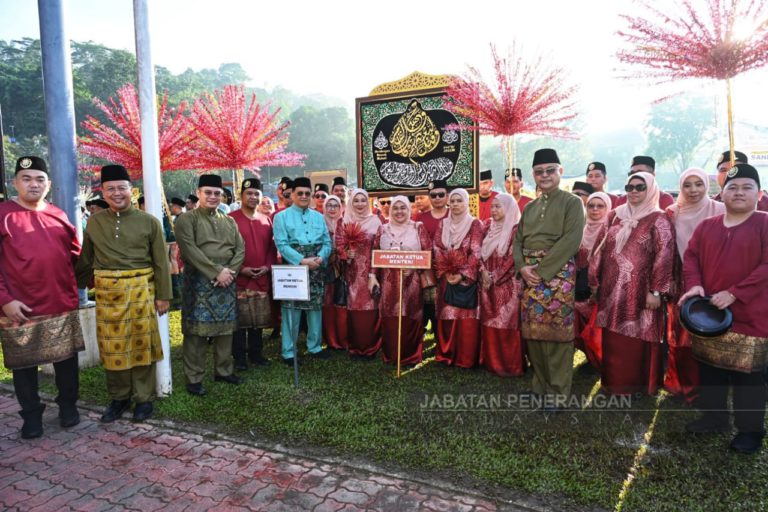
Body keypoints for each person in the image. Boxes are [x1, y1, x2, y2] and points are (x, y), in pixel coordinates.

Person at [680, 163, 768, 454]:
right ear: (722, 193)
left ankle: (750, 431)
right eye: (732, 187)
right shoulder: (708, 226)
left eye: (746, 187)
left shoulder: (764, 223)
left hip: (752, 316)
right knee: (710, 370)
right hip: (710, 315)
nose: (739, 192)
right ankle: (715, 418)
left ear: (759, 193)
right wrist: (694, 285)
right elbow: (691, 257)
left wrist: (735, 293)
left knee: (748, 377)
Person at [76, 164, 172, 422]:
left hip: (141, 289)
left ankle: (143, 399)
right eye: (111, 189)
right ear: (103, 193)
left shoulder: (149, 222)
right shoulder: (95, 222)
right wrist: (73, 285)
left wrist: (163, 295)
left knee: (142, 345)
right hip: (108, 293)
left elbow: (161, 261)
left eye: (122, 188)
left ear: (132, 190)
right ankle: (119, 398)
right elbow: (86, 258)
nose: (117, 193)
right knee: (112, 347)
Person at [0, 156, 84, 439]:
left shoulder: (58, 214)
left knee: (67, 362)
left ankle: (68, 408)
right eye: (27, 179)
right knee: (24, 366)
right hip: (18, 307)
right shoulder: (3, 214)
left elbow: (75, 256)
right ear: (15, 183)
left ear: (48, 184)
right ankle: (31, 415)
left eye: (39, 179)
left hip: (61, 303)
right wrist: (4, 299)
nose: (33, 184)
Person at [589, 172, 675, 396]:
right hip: (610, 290)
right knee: (613, 338)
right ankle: (613, 383)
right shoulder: (614, 215)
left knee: (638, 337)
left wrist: (656, 291)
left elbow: (664, 257)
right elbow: (598, 249)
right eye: (630, 187)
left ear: (651, 189)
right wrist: (594, 280)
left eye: (640, 187)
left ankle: (636, 387)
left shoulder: (659, 218)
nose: (634, 191)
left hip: (641, 292)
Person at [513, 149, 585, 407]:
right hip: (529, 276)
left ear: (560, 172)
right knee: (533, 333)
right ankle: (539, 388)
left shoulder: (572, 202)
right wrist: (522, 267)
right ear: (534, 174)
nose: (545, 176)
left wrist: (541, 271)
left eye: (550, 170)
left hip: (558, 275)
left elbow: (571, 241)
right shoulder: (530, 206)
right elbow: (518, 240)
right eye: (539, 172)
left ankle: (557, 395)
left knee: (557, 335)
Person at [175, 174, 245, 396]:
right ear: (199, 193)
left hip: (226, 280)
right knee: (196, 332)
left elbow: (240, 249)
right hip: (199, 281)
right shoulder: (187, 220)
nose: (213, 196)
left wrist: (229, 273)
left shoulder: (229, 220)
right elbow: (189, 250)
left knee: (226, 328)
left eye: (217, 193)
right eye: (208, 192)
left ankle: (223, 371)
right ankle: (194, 377)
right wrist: (217, 272)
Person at [664, 168, 725, 403]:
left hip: (714, 279)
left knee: (711, 332)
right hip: (683, 280)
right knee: (681, 334)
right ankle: (684, 384)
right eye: (687, 185)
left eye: (698, 184)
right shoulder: (672, 213)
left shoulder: (719, 209)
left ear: (707, 186)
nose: (693, 190)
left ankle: (712, 389)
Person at [273, 177, 332, 364]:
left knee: (315, 309)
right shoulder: (281, 217)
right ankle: (288, 351)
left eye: (308, 193)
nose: (304, 196)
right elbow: (282, 245)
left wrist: (321, 257)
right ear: (292, 194)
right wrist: (301, 260)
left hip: (316, 265)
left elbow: (327, 242)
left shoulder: (318, 216)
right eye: (300, 193)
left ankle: (314, 347)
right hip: (293, 268)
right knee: (292, 309)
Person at [371, 196, 432, 366]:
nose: (399, 211)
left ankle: (410, 356)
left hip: (411, 282)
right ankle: (391, 355)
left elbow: (428, 253)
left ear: (409, 209)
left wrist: (414, 268)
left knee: (411, 316)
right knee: (390, 317)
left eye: (403, 208)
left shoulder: (417, 227)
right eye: (395, 208)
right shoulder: (382, 229)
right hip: (389, 283)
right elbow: (375, 254)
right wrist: (371, 276)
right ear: (390, 210)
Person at [229, 179, 277, 370]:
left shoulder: (266, 219)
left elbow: (271, 248)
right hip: (240, 278)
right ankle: (239, 358)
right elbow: (227, 250)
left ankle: (256, 354)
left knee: (257, 319)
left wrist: (267, 266)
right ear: (241, 195)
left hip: (261, 277)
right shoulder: (230, 219)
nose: (253, 197)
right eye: (249, 193)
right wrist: (241, 269)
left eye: (256, 193)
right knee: (240, 321)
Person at [433, 188, 484, 367]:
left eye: (459, 201)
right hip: (446, 278)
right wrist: (447, 271)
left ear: (466, 202)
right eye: (452, 201)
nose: (454, 204)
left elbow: (476, 252)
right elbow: (437, 248)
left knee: (465, 318)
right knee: (447, 314)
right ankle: (447, 354)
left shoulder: (475, 224)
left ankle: (465, 357)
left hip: (465, 281)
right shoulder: (443, 224)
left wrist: (462, 274)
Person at [479, 194, 524, 376]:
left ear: (509, 208)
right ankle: (491, 362)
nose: (494, 210)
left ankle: (510, 366)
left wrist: (494, 276)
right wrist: (483, 272)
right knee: (489, 321)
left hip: (508, 285)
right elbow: (478, 252)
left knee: (507, 323)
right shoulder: (488, 226)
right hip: (486, 283)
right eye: (493, 206)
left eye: (499, 207)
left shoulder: (516, 230)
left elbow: (512, 258)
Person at [336, 188, 383, 359]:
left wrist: (373, 274)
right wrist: (345, 254)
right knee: (354, 310)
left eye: (363, 200)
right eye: (356, 200)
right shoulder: (344, 220)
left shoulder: (376, 221)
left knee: (370, 309)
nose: (360, 204)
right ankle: (355, 347)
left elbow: (379, 250)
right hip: (351, 274)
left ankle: (371, 347)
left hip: (371, 274)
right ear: (350, 202)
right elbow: (338, 246)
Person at [574, 192, 611, 371]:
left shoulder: (611, 231)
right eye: (591, 206)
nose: (595, 209)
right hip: (579, 285)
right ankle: (590, 360)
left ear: (607, 208)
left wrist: (598, 286)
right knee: (581, 326)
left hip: (600, 287)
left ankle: (602, 363)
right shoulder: (580, 229)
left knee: (596, 330)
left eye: (600, 206)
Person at [417, 180, 450, 333]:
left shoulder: (454, 214)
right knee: (428, 306)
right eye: (433, 195)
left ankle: (444, 340)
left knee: (446, 305)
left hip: (449, 270)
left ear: (447, 196)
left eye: (441, 194)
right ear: (429, 197)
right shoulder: (420, 218)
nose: (437, 198)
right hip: (427, 270)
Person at [321, 195, 348, 351]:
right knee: (327, 303)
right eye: (329, 205)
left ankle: (343, 338)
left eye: (335, 205)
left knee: (342, 302)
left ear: (341, 207)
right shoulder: (319, 223)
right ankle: (331, 340)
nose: (332, 209)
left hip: (344, 269)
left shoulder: (346, 223)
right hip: (325, 268)